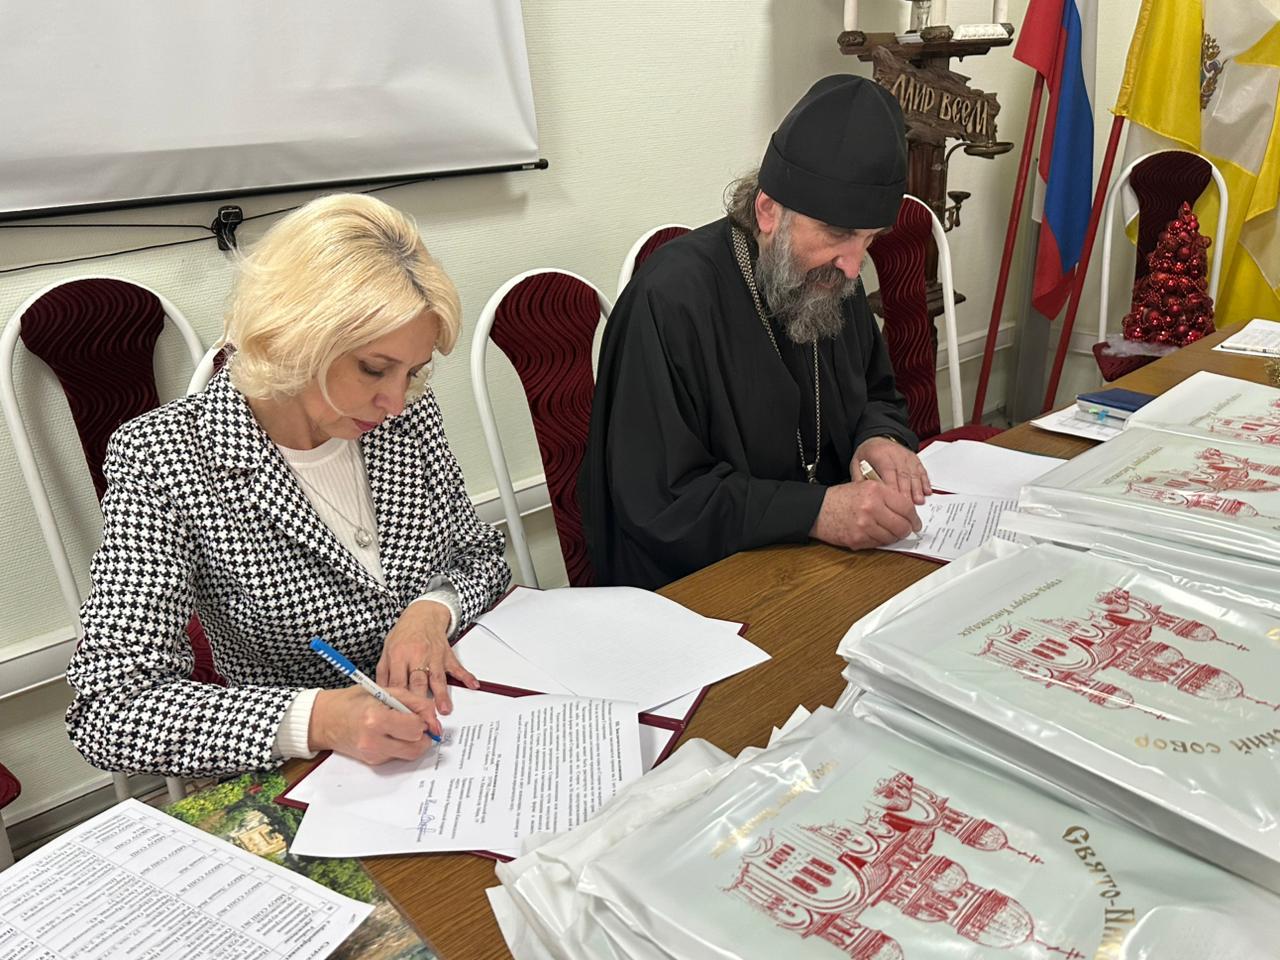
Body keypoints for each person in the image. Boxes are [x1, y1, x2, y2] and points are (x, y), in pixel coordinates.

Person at [65, 193, 511, 779]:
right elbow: (109, 708)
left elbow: (481, 556)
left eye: (413, 371)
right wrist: (317, 719)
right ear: (294, 337)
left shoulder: (403, 417)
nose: (397, 400)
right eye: (374, 369)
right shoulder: (166, 458)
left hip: (454, 730)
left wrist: (432, 611)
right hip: (304, 770)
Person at [580, 75, 931, 589]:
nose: (855, 266)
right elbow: (659, 498)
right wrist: (815, 512)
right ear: (768, 211)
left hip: (824, 566)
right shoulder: (670, 300)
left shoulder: (833, 278)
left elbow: (876, 392)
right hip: (704, 584)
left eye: (869, 239)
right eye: (837, 233)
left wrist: (879, 436)